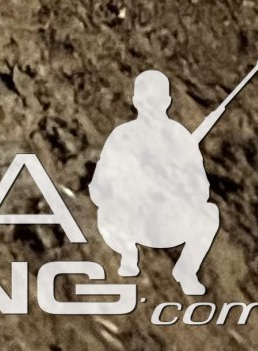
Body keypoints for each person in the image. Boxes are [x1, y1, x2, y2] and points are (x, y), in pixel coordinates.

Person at [90, 71, 228, 297]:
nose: (150, 106)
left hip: (167, 221)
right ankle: (127, 254)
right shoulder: (122, 136)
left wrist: (176, 181)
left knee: (209, 214)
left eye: (155, 100)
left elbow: (201, 190)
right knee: (106, 213)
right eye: (145, 100)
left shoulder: (179, 137)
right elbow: (99, 188)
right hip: (131, 222)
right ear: (135, 101)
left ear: (167, 102)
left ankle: (186, 270)